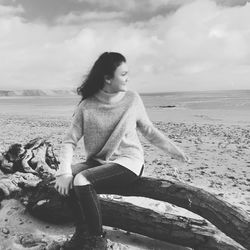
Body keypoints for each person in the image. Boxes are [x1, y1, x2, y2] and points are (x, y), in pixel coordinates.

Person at [54, 52, 189, 250]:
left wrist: (173, 150)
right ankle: (82, 233)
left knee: (82, 180)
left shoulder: (132, 99)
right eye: (123, 74)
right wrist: (64, 172)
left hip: (129, 162)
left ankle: (96, 240)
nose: (128, 78)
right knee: (67, 177)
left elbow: (149, 130)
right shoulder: (86, 106)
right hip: (98, 162)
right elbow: (69, 141)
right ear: (108, 78)